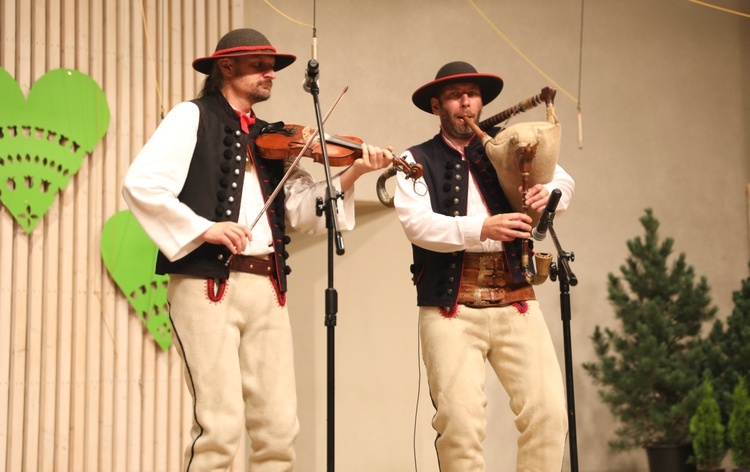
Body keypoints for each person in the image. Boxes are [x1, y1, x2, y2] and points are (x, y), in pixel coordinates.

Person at [122, 28, 392, 471]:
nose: (272, 73)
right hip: (207, 284)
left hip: (269, 286)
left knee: (279, 430)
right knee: (220, 428)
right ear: (225, 66)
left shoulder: (275, 137)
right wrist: (205, 228)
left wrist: (354, 174)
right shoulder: (193, 116)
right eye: (260, 64)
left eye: (273, 66)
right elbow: (141, 184)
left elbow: (304, 213)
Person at [393, 61, 575, 471]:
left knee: (548, 415)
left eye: (472, 94)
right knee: (460, 424)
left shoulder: (508, 142)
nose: (466, 103)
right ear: (437, 105)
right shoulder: (417, 158)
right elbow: (418, 225)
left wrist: (550, 194)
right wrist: (483, 228)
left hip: (516, 298)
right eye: (456, 96)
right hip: (451, 306)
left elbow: (563, 179)